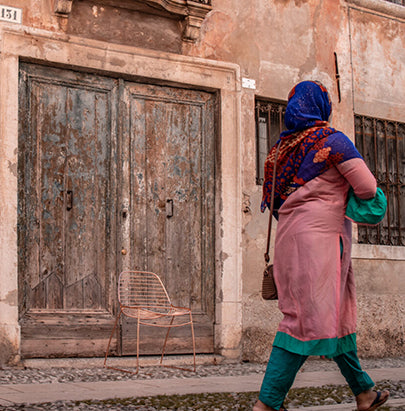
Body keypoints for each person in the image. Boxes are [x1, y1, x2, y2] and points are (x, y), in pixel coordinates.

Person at [253, 81, 389, 411]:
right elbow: (368, 188)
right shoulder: (332, 141)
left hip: (290, 243)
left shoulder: (278, 152)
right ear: (321, 107)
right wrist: (343, 202)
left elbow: (274, 202)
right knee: (301, 323)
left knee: (334, 316)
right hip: (322, 246)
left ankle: (364, 393)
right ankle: (267, 404)